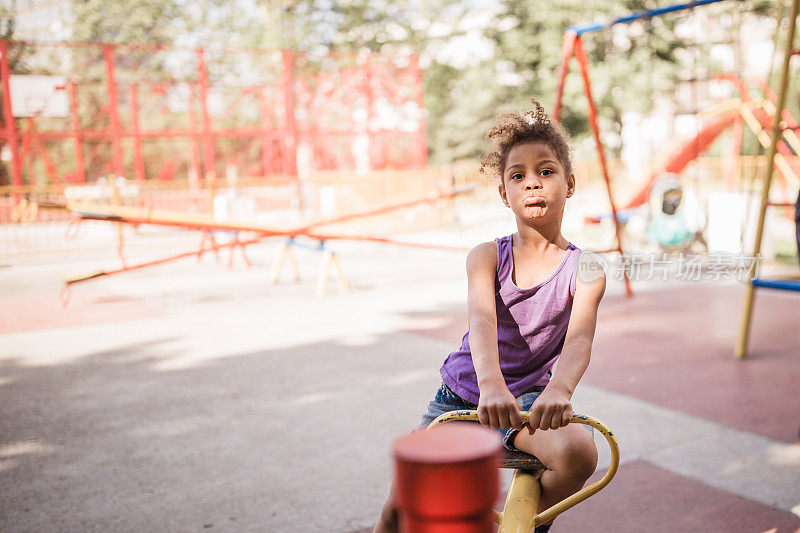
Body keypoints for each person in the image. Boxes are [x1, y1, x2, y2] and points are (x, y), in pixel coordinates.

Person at [373, 100, 606, 533]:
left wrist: (559, 390)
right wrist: (490, 385)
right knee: (399, 506)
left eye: (546, 171)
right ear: (504, 193)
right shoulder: (486, 257)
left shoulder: (586, 268)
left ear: (570, 183)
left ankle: (515, 529)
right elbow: (482, 322)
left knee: (580, 454)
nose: (532, 183)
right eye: (518, 176)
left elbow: (579, 341)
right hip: (464, 394)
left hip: (527, 405)